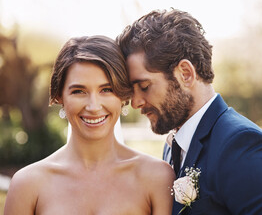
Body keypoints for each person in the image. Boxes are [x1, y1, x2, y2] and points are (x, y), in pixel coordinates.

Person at [117, 9, 262, 214]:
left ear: (185, 74)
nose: (136, 103)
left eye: (144, 86)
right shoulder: (174, 146)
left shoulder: (244, 148)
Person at [4, 35, 175, 215]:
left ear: (123, 96)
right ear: (60, 96)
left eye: (106, 90)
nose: (93, 106)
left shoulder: (157, 177)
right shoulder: (27, 185)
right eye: (79, 91)